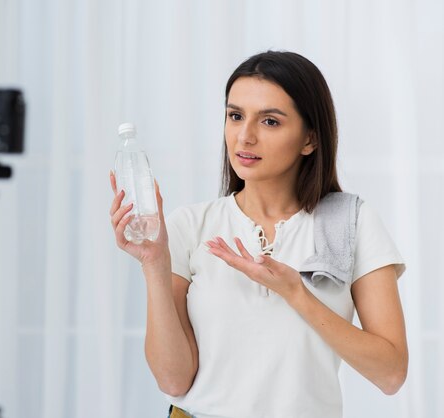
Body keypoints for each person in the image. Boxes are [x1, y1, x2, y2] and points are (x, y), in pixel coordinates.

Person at [109, 50, 407, 418]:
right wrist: (155, 263)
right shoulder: (190, 225)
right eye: (235, 116)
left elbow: (391, 374)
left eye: (269, 121)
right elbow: (174, 382)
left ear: (310, 139)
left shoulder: (352, 224)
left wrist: (296, 293)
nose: (244, 136)